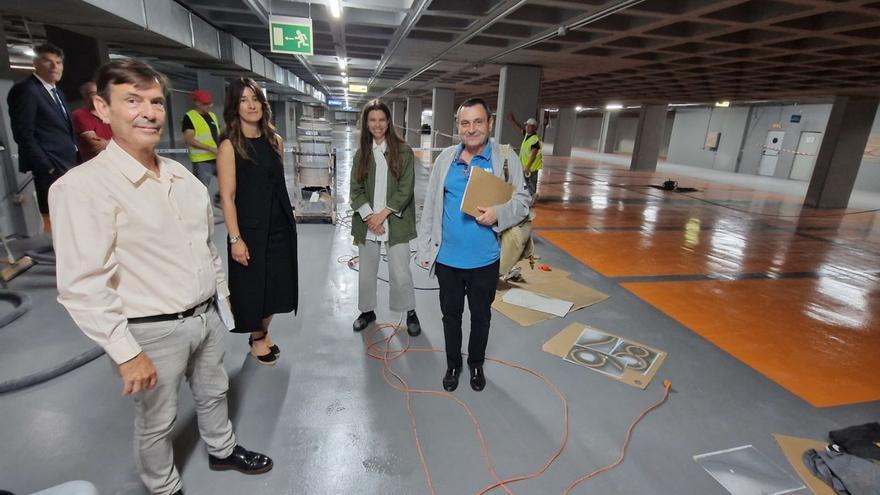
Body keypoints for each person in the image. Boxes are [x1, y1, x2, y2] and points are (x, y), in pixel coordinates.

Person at [50, 59, 272, 495]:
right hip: (151, 330)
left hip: (205, 317)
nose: (148, 112)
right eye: (131, 101)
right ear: (102, 106)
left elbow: (205, 249)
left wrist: (221, 306)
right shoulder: (83, 188)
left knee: (213, 392)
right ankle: (163, 486)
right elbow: (82, 284)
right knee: (157, 420)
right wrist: (124, 352)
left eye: (155, 101)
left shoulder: (181, 178)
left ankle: (221, 449)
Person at [417, 98, 529, 392]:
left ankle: (475, 363)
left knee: (481, 317)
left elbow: (523, 201)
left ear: (489, 123)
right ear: (458, 127)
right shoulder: (445, 160)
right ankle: (453, 364)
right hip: (449, 260)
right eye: (465, 123)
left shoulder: (505, 159)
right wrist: (426, 248)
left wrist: (498, 214)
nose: (471, 129)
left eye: (478, 122)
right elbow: (430, 206)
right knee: (450, 316)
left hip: (485, 260)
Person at [217, 78, 298, 366]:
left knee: (277, 284)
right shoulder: (230, 145)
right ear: (234, 107)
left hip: (278, 226)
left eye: (255, 99)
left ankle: (263, 332)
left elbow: (278, 185)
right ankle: (256, 337)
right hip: (250, 229)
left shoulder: (275, 141)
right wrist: (235, 238)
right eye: (243, 100)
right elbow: (227, 196)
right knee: (253, 287)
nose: (251, 105)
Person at [349, 99, 421, 336]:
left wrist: (382, 215)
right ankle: (367, 311)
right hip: (368, 221)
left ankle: (410, 311)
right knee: (367, 271)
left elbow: (406, 188)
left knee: (401, 271)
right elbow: (355, 189)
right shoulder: (362, 154)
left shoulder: (403, 151)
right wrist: (370, 217)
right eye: (372, 120)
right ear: (366, 123)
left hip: (395, 220)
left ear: (388, 122)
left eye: (381, 119)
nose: (377, 125)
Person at [6, 42, 78, 234]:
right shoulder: (27, 90)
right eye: (48, 61)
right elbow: (23, 133)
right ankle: (58, 258)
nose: (55, 67)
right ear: (36, 63)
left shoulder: (58, 92)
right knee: (55, 215)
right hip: (50, 166)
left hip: (68, 162)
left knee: (71, 213)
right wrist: (47, 166)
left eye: (58, 62)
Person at [182, 89, 220, 201]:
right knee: (201, 191)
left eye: (210, 103)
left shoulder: (212, 115)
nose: (209, 106)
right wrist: (210, 149)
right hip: (202, 161)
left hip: (217, 157)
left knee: (231, 181)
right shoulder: (189, 117)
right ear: (197, 103)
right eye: (205, 104)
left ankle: (219, 198)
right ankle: (202, 215)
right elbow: (189, 139)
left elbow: (217, 135)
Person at [71, 81, 112, 162]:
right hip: (96, 164)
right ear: (85, 96)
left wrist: (107, 143)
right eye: (93, 93)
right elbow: (96, 144)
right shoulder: (79, 115)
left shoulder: (110, 113)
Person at [507, 113, 543, 199]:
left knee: (531, 184)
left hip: (531, 168)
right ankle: (528, 197)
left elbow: (533, 155)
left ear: (534, 128)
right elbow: (519, 129)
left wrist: (528, 167)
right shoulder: (527, 135)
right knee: (525, 183)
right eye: (526, 125)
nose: (526, 127)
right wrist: (512, 121)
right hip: (525, 166)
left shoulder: (535, 140)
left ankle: (532, 198)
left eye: (529, 126)